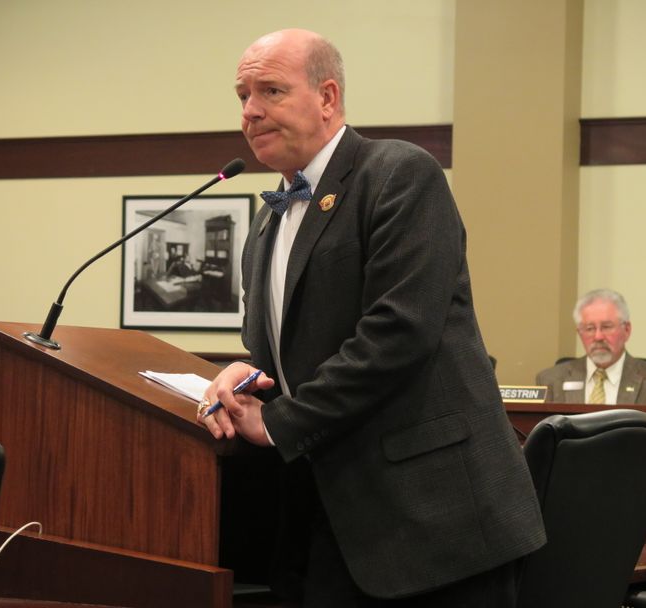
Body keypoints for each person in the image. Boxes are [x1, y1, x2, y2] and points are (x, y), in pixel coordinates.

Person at [196, 29, 545, 606]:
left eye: (271, 91)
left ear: (327, 97)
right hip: (331, 522)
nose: (250, 111)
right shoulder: (265, 226)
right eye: (242, 95)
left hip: (436, 520)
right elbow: (289, 356)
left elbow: (399, 333)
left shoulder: (399, 174)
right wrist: (246, 373)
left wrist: (279, 422)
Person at [536, 288, 646, 404]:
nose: (598, 337)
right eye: (590, 328)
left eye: (606, 327)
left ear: (627, 330)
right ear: (579, 333)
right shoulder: (551, 381)